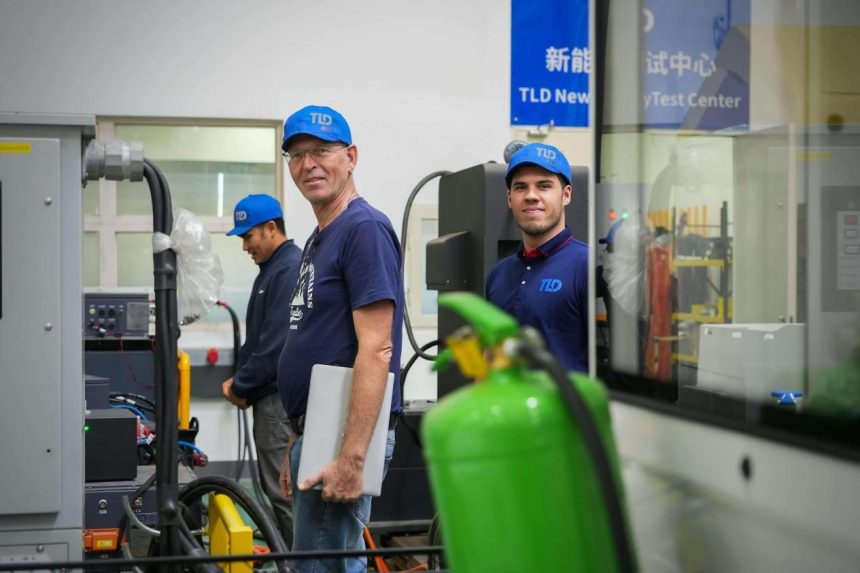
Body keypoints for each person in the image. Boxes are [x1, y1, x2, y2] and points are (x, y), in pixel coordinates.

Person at [276, 105, 404, 573]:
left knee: (324, 566)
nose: (308, 164)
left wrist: (352, 457)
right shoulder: (320, 236)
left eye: (321, 151)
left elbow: (377, 348)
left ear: (351, 157)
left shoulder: (363, 229)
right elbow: (317, 341)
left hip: (341, 436)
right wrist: (296, 439)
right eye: (297, 155)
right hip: (317, 432)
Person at [222, 193, 302, 545]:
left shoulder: (288, 270)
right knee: (278, 490)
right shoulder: (272, 270)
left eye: (248, 236)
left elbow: (275, 345)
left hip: (277, 402)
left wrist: (240, 385)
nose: (245, 246)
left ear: (271, 228)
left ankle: (300, 566)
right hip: (269, 398)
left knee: (284, 492)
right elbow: (259, 341)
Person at [485, 142, 589, 372]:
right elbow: (489, 359)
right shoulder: (498, 275)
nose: (531, 196)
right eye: (521, 187)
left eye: (544, 186)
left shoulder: (588, 267)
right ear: (509, 198)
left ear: (566, 195)